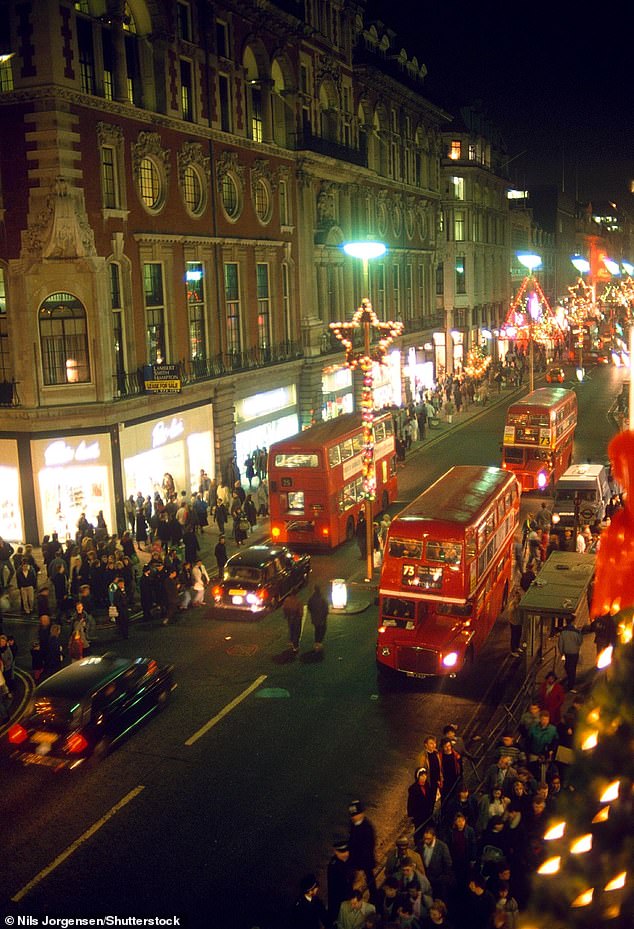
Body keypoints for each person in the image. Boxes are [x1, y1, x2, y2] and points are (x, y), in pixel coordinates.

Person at [347, 801, 377, 904]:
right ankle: (351, 896)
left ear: (361, 814)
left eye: (356, 814)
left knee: (369, 877)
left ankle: (374, 896)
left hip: (365, 857)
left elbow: (370, 844)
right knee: (350, 877)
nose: (354, 817)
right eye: (353, 815)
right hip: (355, 857)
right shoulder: (354, 825)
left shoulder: (367, 827)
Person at [420, 826, 453, 901]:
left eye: (428, 839)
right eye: (425, 838)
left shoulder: (442, 847)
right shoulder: (421, 845)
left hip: (438, 880)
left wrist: (442, 878)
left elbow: (448, 864)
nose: (426, 841)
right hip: (426, 878)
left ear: (434, 837)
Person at [327, 837, 354, 924]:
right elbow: (334, 889)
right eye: (342, 852)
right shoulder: (334, 866)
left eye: (346, 851)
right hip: (338, 900)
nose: (345, 854)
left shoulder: (347, 861)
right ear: (336, 852)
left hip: (347, 896)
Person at [557, 615, 583, 691]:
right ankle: (571, 684)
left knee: (568, 667)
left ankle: (570, 682)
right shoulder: (577, 632)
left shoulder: (563, 632)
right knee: (572, 668)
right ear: (572, 622)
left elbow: (560, 643)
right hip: (574, 653)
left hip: (567, 653)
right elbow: (580, 641)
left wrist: (561, 652)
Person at [407, 767, 436, 832]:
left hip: (427, 813)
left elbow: (430, 797)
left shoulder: (427, 786)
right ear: (418, 777)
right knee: (419, 831)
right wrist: (411, 815)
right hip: (419, 815)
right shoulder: (413, 789)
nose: (424, 777)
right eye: (422, 776)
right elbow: (411, 803)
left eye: (425, 775)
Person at [307, 584, 329, 651]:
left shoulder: (311, 599)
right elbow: (325, 609)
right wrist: (324, 615)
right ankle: (319, 642)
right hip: (321, 618)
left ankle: (316, 642)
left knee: (317, 630)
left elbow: (309, 607)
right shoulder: (322, 599)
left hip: (315, 617)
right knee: (322, 629)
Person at [283, 590, 303, 655]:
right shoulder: (298, 601)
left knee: (291, 629)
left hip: (290, 617)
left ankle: (291, 641)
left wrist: (286, 615)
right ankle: (295, 647)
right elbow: (300, 611)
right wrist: (300, 616)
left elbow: (284, 608)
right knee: (296, 632)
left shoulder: (287, 600)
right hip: (296, 618)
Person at [506, 587, 524, 657]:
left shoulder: (520, 602)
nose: (519, 597)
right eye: (518, 596)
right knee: (514, 636)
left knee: (519, 635)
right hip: (514, 623)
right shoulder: (513, 604)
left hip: (519, 622)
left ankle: (517, 647)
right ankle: (513, 650)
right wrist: (515, 605)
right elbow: (510, 610)